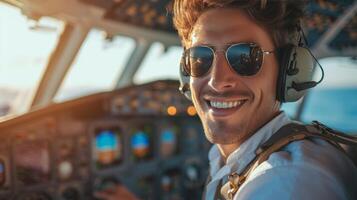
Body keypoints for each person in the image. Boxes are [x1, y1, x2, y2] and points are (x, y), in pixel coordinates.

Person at [96, 0, 357, 199]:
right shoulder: (244, 159)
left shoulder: (283, 182)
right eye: (200, 58)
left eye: (244, 57)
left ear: (288, 70)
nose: (217, 80)